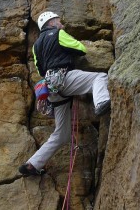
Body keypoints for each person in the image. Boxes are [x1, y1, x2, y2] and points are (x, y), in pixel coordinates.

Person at [19, 11, 111, 176]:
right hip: (65, 79)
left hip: (51, 89)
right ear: (51, 22)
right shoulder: (58, 33)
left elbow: (40, 69)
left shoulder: (36, 46)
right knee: (100, 78)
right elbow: (80, 48)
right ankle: (102, 102)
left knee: (62, 134)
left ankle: (32, 164)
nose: (61, 24)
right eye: (58, 21)